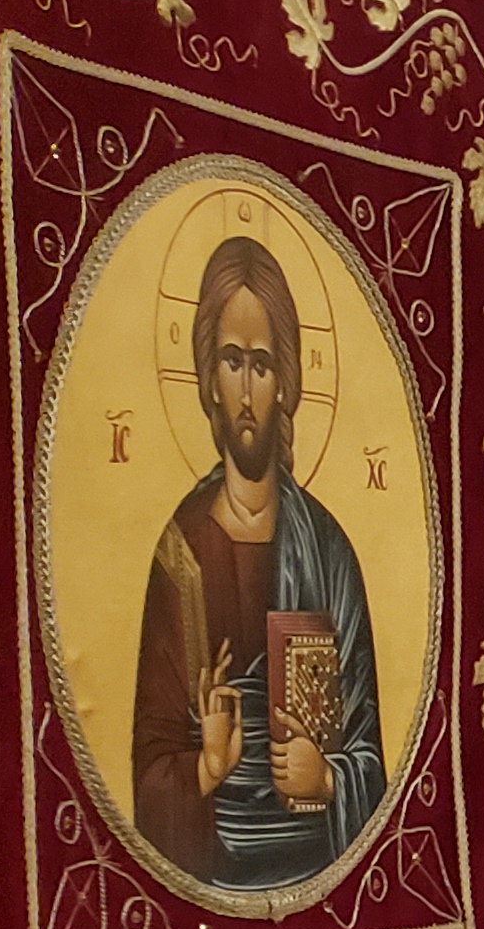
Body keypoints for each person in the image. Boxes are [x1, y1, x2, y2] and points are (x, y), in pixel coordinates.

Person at [131, 235, 385, 891]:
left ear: (286, 383)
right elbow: (149, 768)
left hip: (320, 879)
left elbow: (370, 756)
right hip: (212, 886)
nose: (247, 392)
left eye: (263, 366)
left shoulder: (329, 549)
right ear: (209, 381)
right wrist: (207, 768)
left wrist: (327, 779)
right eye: (232, 361)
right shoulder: (180, 552)